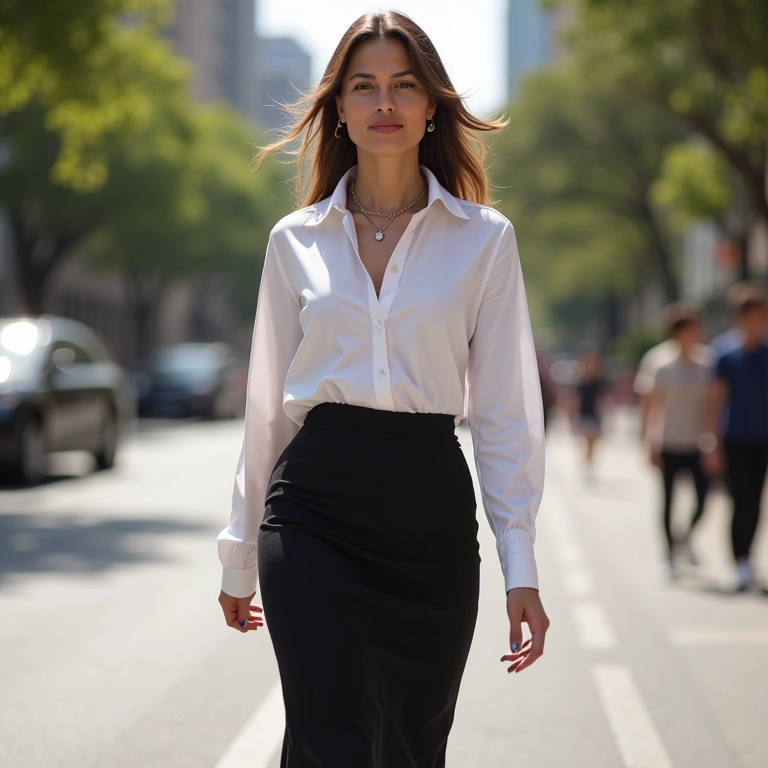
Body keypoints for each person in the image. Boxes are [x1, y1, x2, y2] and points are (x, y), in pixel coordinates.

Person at [216, 12, 549, 768]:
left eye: (404, 84)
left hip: (427, 515)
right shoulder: (293, 240)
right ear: (340, 107)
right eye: (363, 86)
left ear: (432, 103)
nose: (384, 102)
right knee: (332, 741)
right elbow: (267, 409)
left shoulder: (485, 239)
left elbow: (503, 413)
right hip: (312, 510)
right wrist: (239, 555)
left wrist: (519, 567)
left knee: (408, 748)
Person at [704, 282, 768, 592]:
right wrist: (711, 443)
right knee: (739, 500)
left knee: (756, 502)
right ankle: (739, 561)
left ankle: (748, 557)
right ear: (739, 318)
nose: (758, 322)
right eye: (752, 316)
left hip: (762, 439)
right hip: (733, 440)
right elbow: (715, 401)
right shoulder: (725, 353)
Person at [644, 304, 712, 579]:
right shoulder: (659, 361)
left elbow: (714, 403)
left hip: (699, 442)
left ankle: (684, 538)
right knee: (668, 500)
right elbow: (651, 405)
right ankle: (669, 555)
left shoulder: (708, 361)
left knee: (704, 499)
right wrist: (649, 441)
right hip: (668, 441)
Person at [571, 341, 608, 477]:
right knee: (587, 441)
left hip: (596, 416)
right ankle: (587, 463)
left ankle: (589, 463)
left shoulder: (601, 382)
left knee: (593, 444)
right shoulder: (580, 381)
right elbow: (575, 401)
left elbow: (605, 401)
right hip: (584, 415)